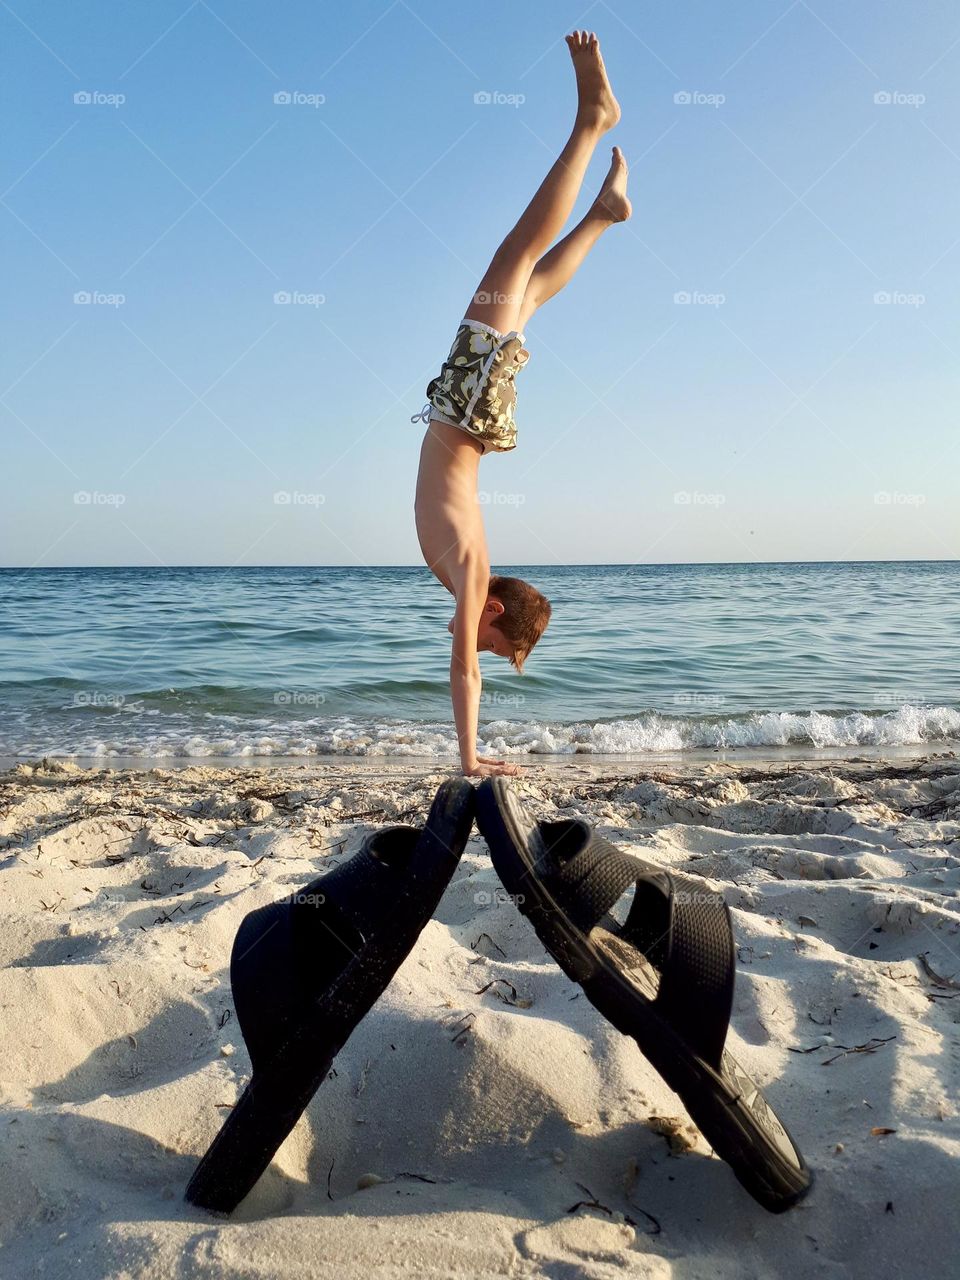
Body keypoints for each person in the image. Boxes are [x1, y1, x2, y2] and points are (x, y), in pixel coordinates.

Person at [415, 31, 630, 778]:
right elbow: (461, 675)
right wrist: (471, 757)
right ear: (493, 612)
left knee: (529, 287)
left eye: (489, 653)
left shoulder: (468, 567)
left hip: (470, 410)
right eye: (492, 643)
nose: (476, 647)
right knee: (517, 254)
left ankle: (604, 212)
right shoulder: (470, 571)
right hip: (468, 405)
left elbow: (467, 662)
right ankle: (592, 120)